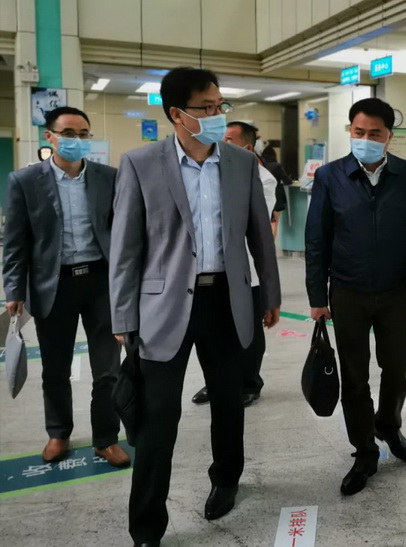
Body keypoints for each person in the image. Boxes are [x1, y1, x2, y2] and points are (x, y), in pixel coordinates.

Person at [109, 67, 281, 546]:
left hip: (227, 300)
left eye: (220, 105)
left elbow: (258, 234)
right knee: (157, 418)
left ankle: (226, 479)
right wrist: (123, 315)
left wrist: (268, 294)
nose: (216, 114)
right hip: (162, 307)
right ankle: (147, 524)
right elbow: (125, 248)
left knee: (228, 401)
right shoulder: (140, 163)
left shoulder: (241, 163)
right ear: (176, 114)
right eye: (206, 107)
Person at [305, 97, 406, 496]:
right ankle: (364, 452)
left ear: (389, 136)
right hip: (348, 293)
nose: (365, 139)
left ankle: (388, 426)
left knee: (396, 368)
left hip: (395, 292)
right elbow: (316, 239)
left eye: (374, 133)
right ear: (350, 131)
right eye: (358, 132)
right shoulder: (330, 176)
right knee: (355, 377)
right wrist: (317, 295)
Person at [3, 106, 129, 468]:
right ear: (50, 136)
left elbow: (123, 231)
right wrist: (14, 290)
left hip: (101, 283)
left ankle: (106, 437)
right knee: (55, 368)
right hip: (53, 285)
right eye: (69, 133)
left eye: (84, 134)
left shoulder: (109, 177)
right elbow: (15, 242)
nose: (77, 140)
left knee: (108, 368)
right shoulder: (25, 181)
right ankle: (58, 432)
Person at [191, 120, 277, 407]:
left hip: (246, 270)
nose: (220, 144)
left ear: (248, 149)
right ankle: (216, 382)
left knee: (248, 331)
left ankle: (250, 382)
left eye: (228, 139)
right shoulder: (207, 169)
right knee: (212, 331)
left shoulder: (262, 178)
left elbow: (250, 221)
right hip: (212, 269)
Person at [260, 143, 293, 237]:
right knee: (274, 222)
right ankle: (271, 243)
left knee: (264, 222)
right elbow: (287, 181)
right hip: (277, 195)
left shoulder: (261, 166)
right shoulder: (277, 166)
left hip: (262, 194)